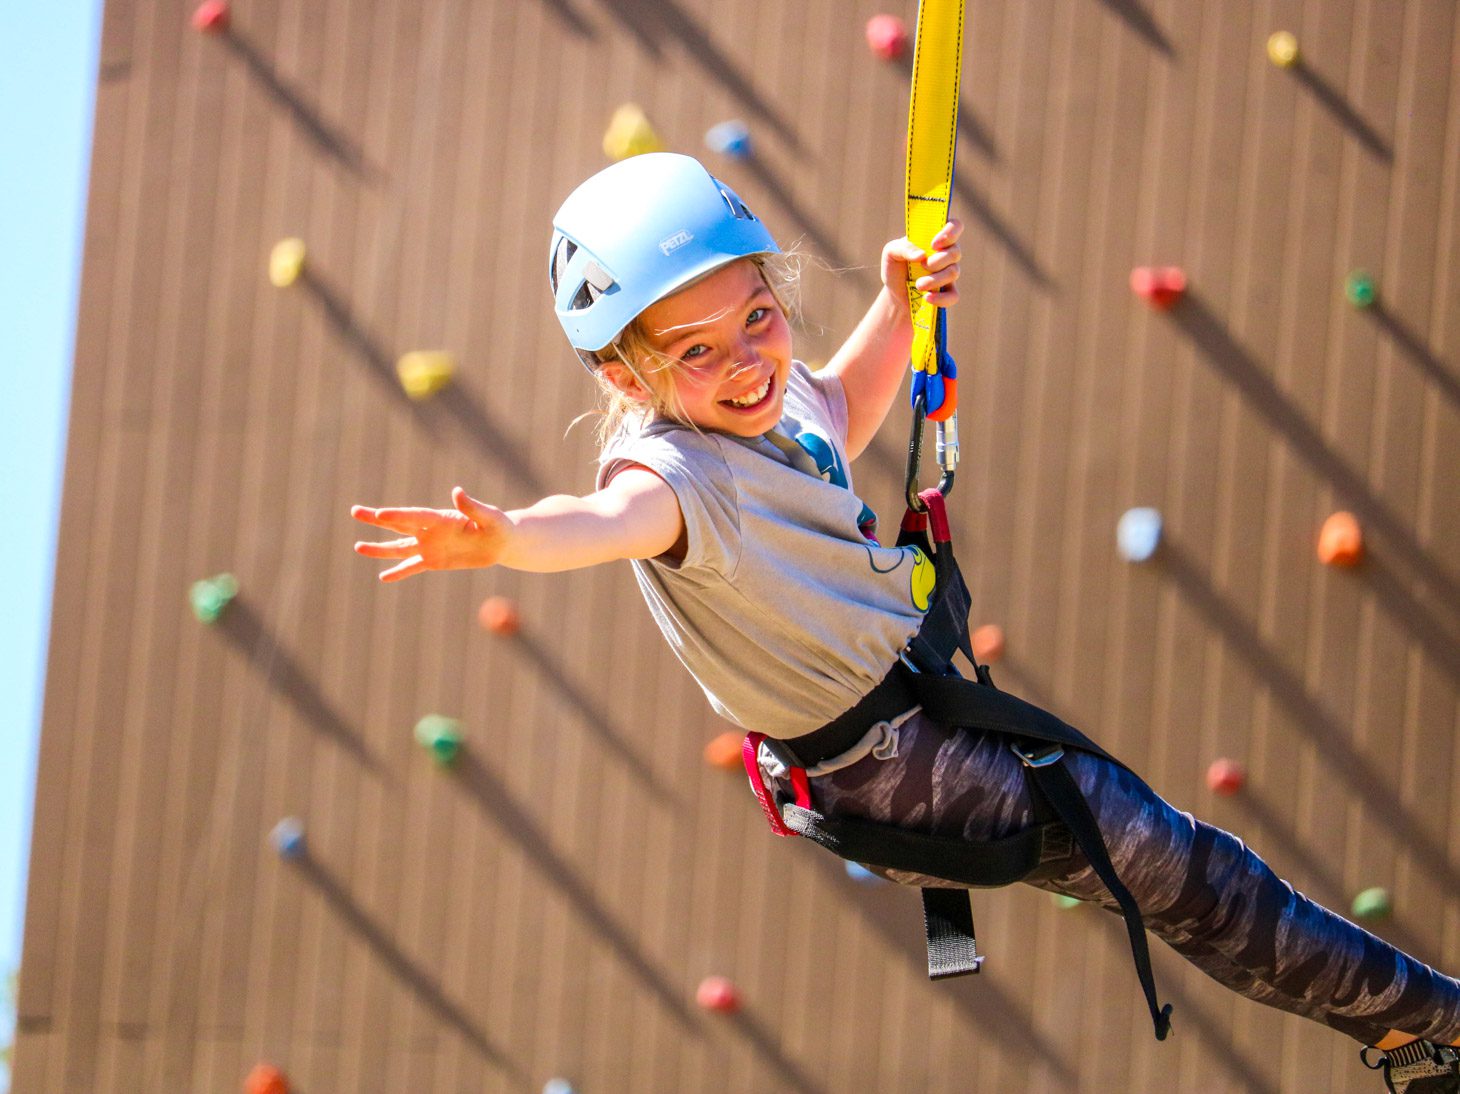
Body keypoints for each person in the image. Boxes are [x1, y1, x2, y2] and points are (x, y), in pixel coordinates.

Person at [352, 152, 1460, 1092]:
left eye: (757, 316)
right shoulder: (677, 478)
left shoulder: (769, 395)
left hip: (905, 698)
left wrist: (897, 303)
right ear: (625, 376)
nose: (745, 361)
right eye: (695, 350)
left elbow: (837, 409)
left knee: (1168, 858)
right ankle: (1425, 1027)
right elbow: (600, 522)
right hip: (883, 764)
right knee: (1163, 861)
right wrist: (508, 538)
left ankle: (1416, 1025)